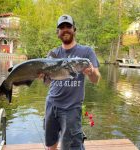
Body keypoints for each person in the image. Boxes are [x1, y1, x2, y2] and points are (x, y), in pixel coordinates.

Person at [42, 14, 101, 150]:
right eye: (61, 27)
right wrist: (42, 75)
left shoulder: (86, 52)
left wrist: (91, 72)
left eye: (68, 26)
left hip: (72, 108)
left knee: (71, 146)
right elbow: (47, 80)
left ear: (74, 29)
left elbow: (96, 79)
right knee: (50, 144)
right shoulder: (53, 53)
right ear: (58, 32)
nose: (65, 29)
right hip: (51, 104)